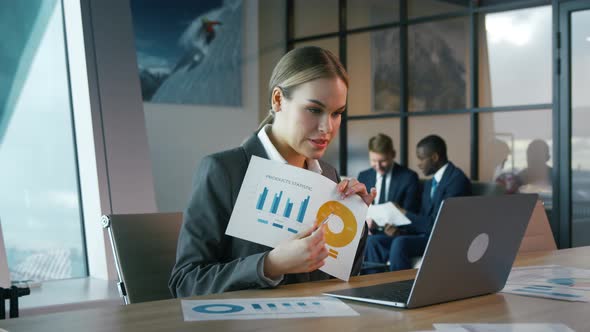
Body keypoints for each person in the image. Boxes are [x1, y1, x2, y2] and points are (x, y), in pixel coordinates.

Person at [169, 46, 375, 297]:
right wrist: (270, 265)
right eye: (314, 109)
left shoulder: (329, 176)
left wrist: (356, 222)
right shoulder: (225, 172)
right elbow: (185, 283)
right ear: (278, 100)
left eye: (337, 113)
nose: (327, 127)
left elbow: (341, 281)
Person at [364, 134, 472, 271]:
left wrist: (403, 212)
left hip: (442, 238)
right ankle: (374, 288)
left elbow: (440, 225)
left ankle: (399, 290)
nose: (418, 164)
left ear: (434, 158)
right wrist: (400, 232)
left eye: (421, 159)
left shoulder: (456, 181)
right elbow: (421, 219)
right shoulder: (430, 183)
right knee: (373, 241)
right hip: (424, 235)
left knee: (400, 243)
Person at [358, 133, 420, 234]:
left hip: (394, 233)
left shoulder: (408, 178)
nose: (378, 166)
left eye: (383, 161)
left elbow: (410, 214)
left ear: (393, 154)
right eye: (373, 160)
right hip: (367, 232)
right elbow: (358, 209)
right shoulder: (363, 176)